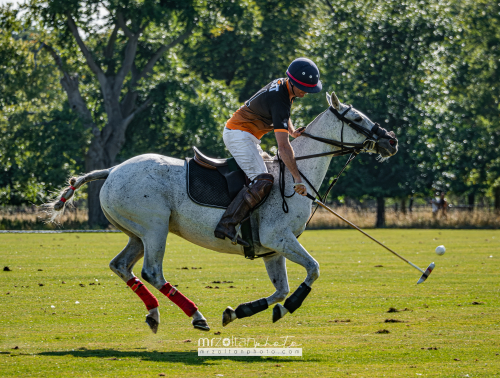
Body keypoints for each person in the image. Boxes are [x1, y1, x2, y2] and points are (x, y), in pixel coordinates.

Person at [214, 58, 322, 247]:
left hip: (247, 134)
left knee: (267, 178)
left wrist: (292, 130)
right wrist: (298, 178)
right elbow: (283, 147)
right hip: (239, 134)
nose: (306, 93)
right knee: (263, 180)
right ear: (293, 82)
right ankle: (227, 224)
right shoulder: (280, 99)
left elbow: (282, 115)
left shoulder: (284, 85)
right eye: (304, 88)